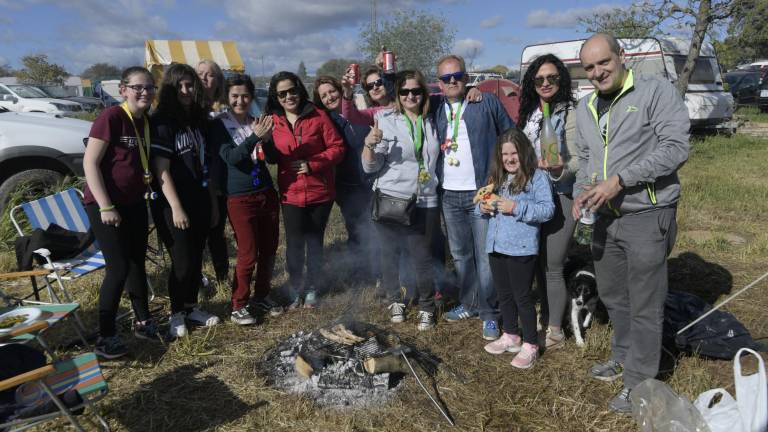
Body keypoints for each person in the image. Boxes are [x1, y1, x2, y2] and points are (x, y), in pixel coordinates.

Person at [572, 33, 689, 413]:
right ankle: (623, 356)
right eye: (589, 67)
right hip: (605, 219)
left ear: (622, 56)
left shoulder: (655, 92)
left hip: (646, 214)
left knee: (644, 302)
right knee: (613, 295)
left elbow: (675, 149)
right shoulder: (586, 106)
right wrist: (581, 191)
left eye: (604, 62)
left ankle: (639, 383)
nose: (597, 72)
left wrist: (620, 180)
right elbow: (587, 160)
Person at [433, 54, 514, 341]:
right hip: (449, 195)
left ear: (466, 77)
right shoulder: (434, 107)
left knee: (484, 255)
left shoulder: (486, 102)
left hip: (482, 192)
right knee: (461, 255)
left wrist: (506, 176)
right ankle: (469, 303)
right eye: (446, 78)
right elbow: (403, 97)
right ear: (439, 83)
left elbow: (510, 135)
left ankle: (490, 313)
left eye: (457, 76)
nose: (452, 81)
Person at [83, 66, 161, 358]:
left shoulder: (145, 122)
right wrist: (105, 205)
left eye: (149, 88)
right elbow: (90, 163)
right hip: (106, 206)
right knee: (117, 269)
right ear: (123, 90)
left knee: (137, 263)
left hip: (135, 203)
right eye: (138, 87)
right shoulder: (111, 117)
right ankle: (106, 336)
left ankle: (143, 320)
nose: (145, 92)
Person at [362, 70, 440, 331]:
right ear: (397, 94)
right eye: (404, 91)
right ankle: (395, 300)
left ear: (423, 93)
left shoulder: (432, 118)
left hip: (425, 198)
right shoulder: (385, 119)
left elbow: (454, 93)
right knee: (390, 254)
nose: (410, 96)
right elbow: (370, 168)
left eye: (416, 91)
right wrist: (369, 145)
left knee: (422, 255)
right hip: (392, 197)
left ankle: (427, 306)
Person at [151, 63, 221, 338]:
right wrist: (176, 207)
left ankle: (192, 307)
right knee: (181, 260)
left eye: (190, 84)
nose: (185, 90)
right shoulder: (162, 121)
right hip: (173, 202)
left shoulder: (199, 119)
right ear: (169, 88)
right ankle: (176, 313)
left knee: (195, 257)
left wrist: (213, 203)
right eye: (179, 85)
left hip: (200, 197)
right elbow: (161, 169)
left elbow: (207, 165)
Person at [265, 71, 345, 308]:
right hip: (291, 193)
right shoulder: (272, 120)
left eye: (292, 90)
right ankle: (296, 286)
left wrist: (312, 164)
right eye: (282, 93)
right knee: (294, 244)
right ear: (276, 97)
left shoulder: (318, 115)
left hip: (320, 192)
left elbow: (338, 148)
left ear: (299, 90)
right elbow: (271, 158)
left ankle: (312, 287)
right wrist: (266, 142)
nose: (289, 96)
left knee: (315, 242)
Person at [518, 53, 578, 349]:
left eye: (551, 78)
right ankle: (547, 315)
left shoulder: (572, 112)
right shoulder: (529, 112)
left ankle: (555, 331)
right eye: (539, 78)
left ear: (561, 79)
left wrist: (561, 168)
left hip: (561, 194)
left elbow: (582, 158)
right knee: (538, 262)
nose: (545, 83)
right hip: (532, 195)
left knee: (553, 263)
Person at [480, 128, 554, 369]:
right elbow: (479, 203)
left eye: (514, 153)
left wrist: (517, 208)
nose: (510, 159)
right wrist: (481, 209)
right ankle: (511, 334)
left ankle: (531, 343)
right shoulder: (496, 178)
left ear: (524, 152)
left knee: (522, 297)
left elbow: (547, 210)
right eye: (504, 154)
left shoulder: (536, 177)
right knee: (504, 294)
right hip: (496, 245)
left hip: (521, 248)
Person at [213, 74, 280, 325]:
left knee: (269, 249)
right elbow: (231, 157)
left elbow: (271, 158)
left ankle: (262, 295)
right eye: (235, 96)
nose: (240, 100)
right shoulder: (219, 124)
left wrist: (268, 138)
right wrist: (254, 137)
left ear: (251, 97)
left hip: (265, 192)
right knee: (248, 253)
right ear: (227, 98)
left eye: (245, 95)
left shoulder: (257, 121)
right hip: (240, 197)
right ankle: (238, 304)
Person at [314, 76, 378, 281]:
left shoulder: (358, 111)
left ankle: (382, 269)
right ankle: (361, 271)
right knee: (356, 228)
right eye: (323, 95)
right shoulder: (325, 122)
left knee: (379, 225)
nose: (329, 97)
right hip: (347, 185)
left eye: (331, 91)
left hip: (373, 180)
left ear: (340, 90)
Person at [196, 59, 230, 285]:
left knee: (217, 230)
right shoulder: (190, 107)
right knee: (197, 235)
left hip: (219, 178)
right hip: (196, 180)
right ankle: (196, 279)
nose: (205, 79)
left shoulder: (225, 109)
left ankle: (222, 276)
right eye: (200, 74)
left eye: (210, 75)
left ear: (218, 81)